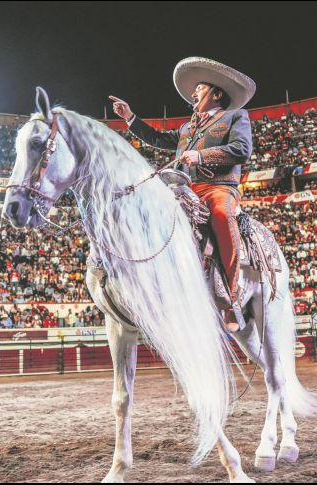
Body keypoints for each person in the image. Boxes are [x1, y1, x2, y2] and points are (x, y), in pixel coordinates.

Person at [111, 57, 255, 332]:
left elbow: (242, 150)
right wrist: (130, 117)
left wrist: (200, 156)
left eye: (199, 88)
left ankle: (231, 299)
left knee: (223, 216)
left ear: (217, 93)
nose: (193, 93)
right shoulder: (186, 128)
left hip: (219, 188)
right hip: (184, 188)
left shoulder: (235, 116)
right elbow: (157, 139)